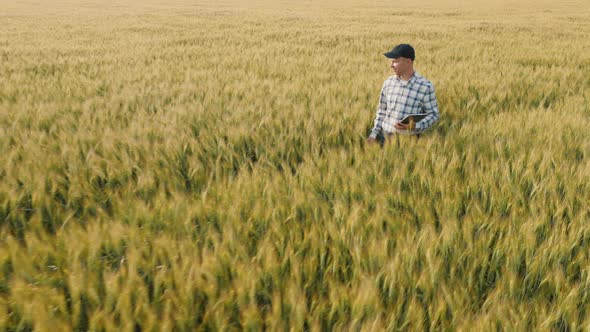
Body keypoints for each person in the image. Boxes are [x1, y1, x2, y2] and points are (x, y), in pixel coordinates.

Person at [367, 44, 440, 145]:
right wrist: (373, 134)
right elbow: (382, 110)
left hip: (410, 141)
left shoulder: (425, 86)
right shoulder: (388, 83)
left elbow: (434, 115)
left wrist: (415, 126)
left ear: (408, 62)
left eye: (395, 61)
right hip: (386, 138)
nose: (391, 65)